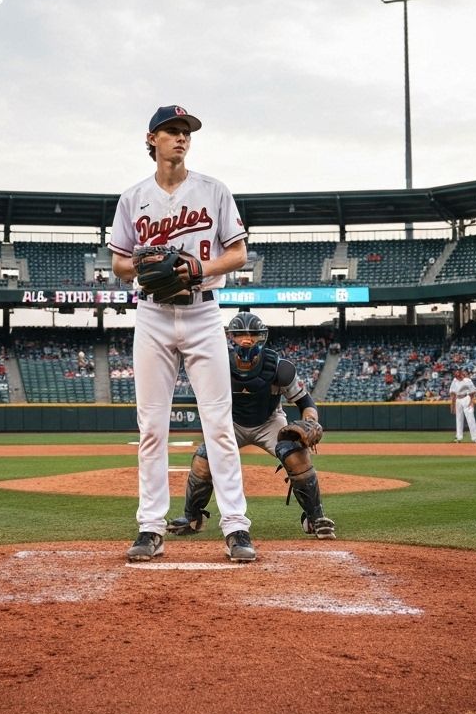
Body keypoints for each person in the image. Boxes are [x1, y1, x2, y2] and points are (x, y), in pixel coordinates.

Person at [109, 105, 253, 562]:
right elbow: (118, 263)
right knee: (152, 428)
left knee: (219, 425)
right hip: (152, 315)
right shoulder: (133, 197)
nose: (182, 137)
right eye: (171, 130)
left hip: (203, 312)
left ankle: (236, 526)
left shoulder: (214, 190)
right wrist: (145, 267)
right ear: (151, 139)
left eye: (186, 131)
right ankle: (150, 528)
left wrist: (196, 269)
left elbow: (238, 254)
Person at [168, 313, 336, 541]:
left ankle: (316, 518)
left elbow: (305, 402)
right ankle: (192, 517)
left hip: (269, 421)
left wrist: (311, 422)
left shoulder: (280, 368)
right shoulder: (216, 366)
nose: (246, 340)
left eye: (253, 334)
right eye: (240, 335)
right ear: (231, 338)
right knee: (203, 459)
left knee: (295, 455)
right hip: (231, 422)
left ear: (262, 337)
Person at [449, 367, 476, 443]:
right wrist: (452, 405)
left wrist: (472, 403)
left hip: (466, 398)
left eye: (457, 372)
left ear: (460, 373)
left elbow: (473, 393)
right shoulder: (454, 381)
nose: (456, 374)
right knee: (459, 419)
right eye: (455, 373)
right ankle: (458, 437)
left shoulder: (467, 381)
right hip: (458, 400)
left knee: (470, 418)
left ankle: (475, 438)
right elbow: (452, 394)